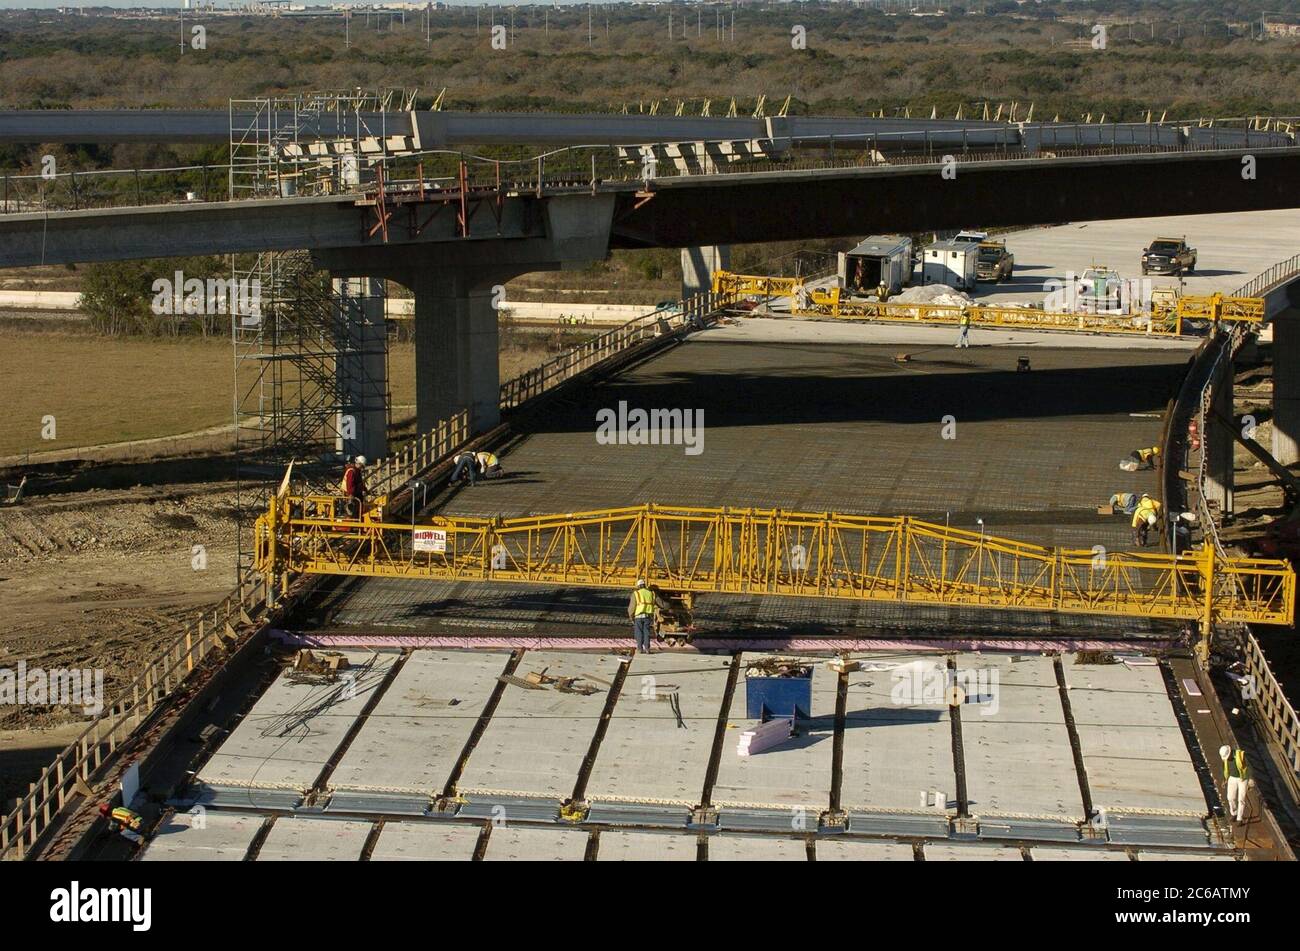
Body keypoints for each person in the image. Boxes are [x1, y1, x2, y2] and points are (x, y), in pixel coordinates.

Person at [628, 579, 661, 653]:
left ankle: (639, 649)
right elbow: (659, 603)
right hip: (647, 616)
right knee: (646, 632)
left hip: (638, 617)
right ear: (644, 585)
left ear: (638, 586)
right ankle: (647, 648)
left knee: (639, 632)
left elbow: (632, 607)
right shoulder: (651, 593)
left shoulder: (636, 593)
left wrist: (631, 616)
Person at [1220, 745, 1251, 823]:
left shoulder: (1240, 755)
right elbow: (1225, 769)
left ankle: (1239, 818)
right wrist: (1224, 779)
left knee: (1241, 799)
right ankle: (1234, 813)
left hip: (1242, 779)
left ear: (1230, 753)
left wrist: (1249, 779)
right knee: (1230, 797)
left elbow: (1248, 766)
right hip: (1232, 778)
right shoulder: (1226, 759)